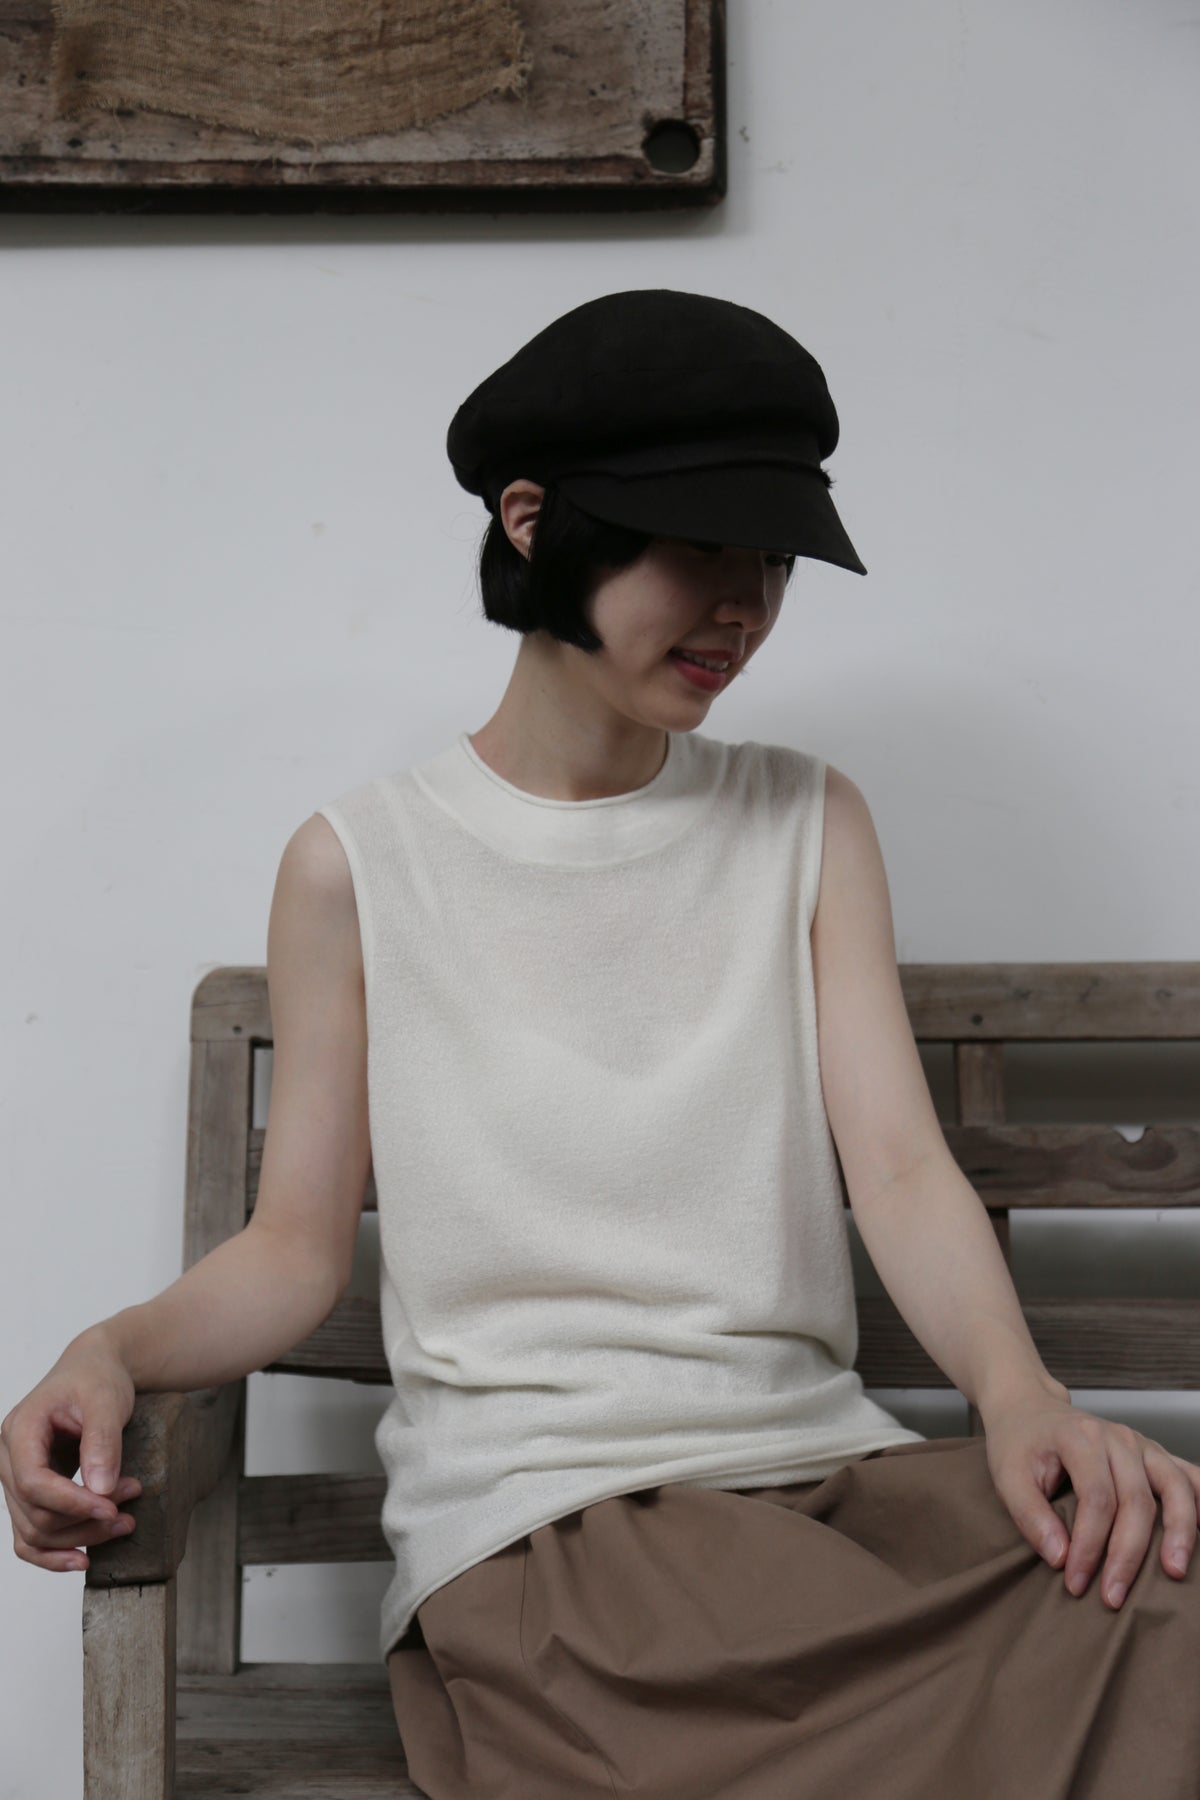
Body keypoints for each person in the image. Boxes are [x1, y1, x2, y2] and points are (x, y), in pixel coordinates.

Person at [3, 288, 1197, 1799]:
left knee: (1165, 1588)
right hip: (555, 1532)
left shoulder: (805, 820)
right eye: (701, 549)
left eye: (774, 561)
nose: (744, 608)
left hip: (833, 1489)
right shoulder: (361, 866)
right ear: (533, 522)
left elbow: (899, 1172)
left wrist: (1023, 1400)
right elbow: (296, 1250)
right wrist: (108, 1350)